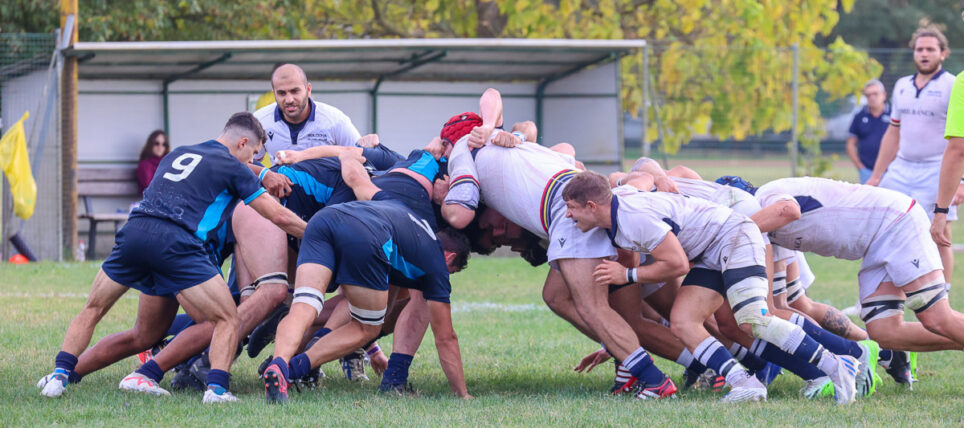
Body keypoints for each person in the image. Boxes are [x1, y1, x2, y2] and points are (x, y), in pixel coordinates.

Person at [36, 112, 308, 403]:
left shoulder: (180, 153)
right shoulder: (234, 167)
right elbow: (278, 215)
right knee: (227, 318)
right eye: (254, 155)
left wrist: (262, 173)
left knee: (106, 314)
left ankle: (61, 375)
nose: (252, 163)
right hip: (176, 246)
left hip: (135, 233)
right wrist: (320, 238)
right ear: (243, 143)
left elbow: (211, 174)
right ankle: (216, 390)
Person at [562, 171, 862, 405]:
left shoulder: (631, 218)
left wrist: (626, 275)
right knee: (683, 322)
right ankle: (745, 384)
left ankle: (837, 366)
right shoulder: (619, 200)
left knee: (753, 319)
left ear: (592, 206)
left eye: (571, 208)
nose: (567, 216)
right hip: (713, 250)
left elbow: (677, 265)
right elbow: (642, 175)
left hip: (734, 237)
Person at [261, 155, 472, 403]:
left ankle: (279, 365)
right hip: (367, 235)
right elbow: (446, 337)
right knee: (367, 327)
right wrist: (463, 393)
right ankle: (295, 369)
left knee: (305, 305)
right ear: (450, 257)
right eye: (452, 271)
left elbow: (357, 181)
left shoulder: (397, 205)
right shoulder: (437, 265)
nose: (446, 277)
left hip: (325, 219)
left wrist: (346, 154)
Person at [867, 26, 956, 282]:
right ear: (913, 53)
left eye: (930, 49)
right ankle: (874, 299)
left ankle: (942, 299)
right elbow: (893, 133)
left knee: (939, 234)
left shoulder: (953, 85)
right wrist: (876, 176)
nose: (924, 54)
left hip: (937, 169)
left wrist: (960, 181)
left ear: (943, 53)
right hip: (901, 169)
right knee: (882, 230)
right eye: (920, 49)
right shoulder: (902, 85)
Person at [846, 80, 890, 184]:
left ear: (884, 95)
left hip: (890, 171)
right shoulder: (859, 116)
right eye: (868, 95)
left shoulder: (894, 115)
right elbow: (851, 144)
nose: (872, 97)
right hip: (867, 171)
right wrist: (860, 167)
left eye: (875, 94)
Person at [136, 130, 170, 196]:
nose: (160, 147)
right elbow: (149, 187)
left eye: (164, 144)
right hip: (152, 202)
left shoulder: (169, 163)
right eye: (157, 143)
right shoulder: (145, 165)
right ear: (151, 144)